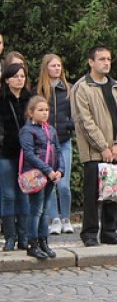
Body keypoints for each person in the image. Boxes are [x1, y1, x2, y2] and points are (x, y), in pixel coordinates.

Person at [71, 46, 117, 247]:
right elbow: (84, 121)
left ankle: (110, 232)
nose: (106, 63)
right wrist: (103, 147)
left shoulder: (116, 87)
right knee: (92, 195)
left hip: (116, 151)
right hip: (94, 152)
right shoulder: (83, 87)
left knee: (114, 193)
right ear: (91, 62)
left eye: (109, 59)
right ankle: (89, 233)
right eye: (102, 59)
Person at [19, 95, 65, 259]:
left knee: (45, 210)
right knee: (36, 210)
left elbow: (58, 150)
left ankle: (43, 240)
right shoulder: (27, 131)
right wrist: (48, 170)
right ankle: (33, 243)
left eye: (46, 110)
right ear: (31, 113)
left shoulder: (50, 130)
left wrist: (60, 169)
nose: (45, 113)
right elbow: (30, 155)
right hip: (36, 175)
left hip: (51, 175)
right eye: (40, 110)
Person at [35, 54, 75, 235]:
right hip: (45, 143)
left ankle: (66, 217)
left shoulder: (69, 89)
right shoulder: (39, 91)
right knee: (49, 183)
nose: (57, 69)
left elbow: (76, 114)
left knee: (63, 184)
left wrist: (69, 125)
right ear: (46, 68)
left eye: (59, 65)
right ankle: (54, 219)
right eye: (53, 66)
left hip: (64, 141)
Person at [0, 64, 31, 251]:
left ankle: (24, 236)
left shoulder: (30, 100)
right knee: (8, 195)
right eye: (16, 76)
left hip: (26, 154)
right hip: (6, 152)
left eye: (22, 76)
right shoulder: (2, 100)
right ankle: (10, 237)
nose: (20, 79)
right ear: (7, 79)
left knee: (24, 195)